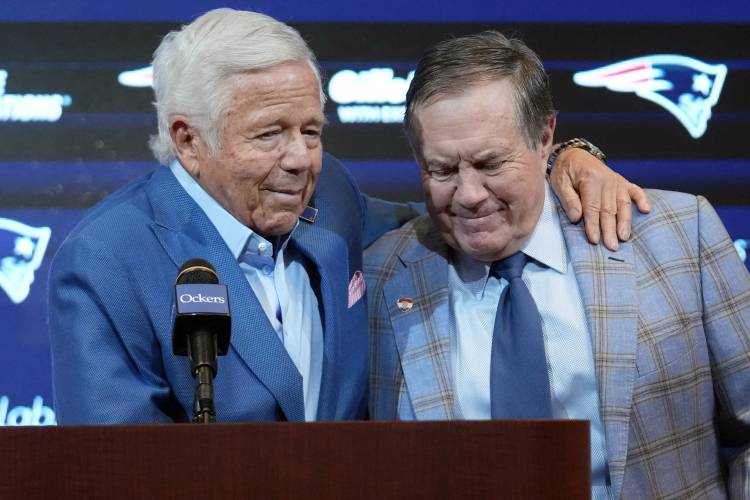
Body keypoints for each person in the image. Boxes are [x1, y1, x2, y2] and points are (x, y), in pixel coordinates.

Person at [49, 9, 644, 425]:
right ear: (188, 141)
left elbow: (467, 211)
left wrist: (566, 157)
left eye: (311, 130)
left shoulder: (330, 194)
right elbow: (113, 470)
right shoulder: (105, 264)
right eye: (269, 134)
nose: (299, 160)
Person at [364, 31, 750, 499]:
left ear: (546, 137)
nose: (467, 195)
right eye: (441, 170)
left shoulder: (679, 236)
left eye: (490, 164)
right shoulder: (383, 273)